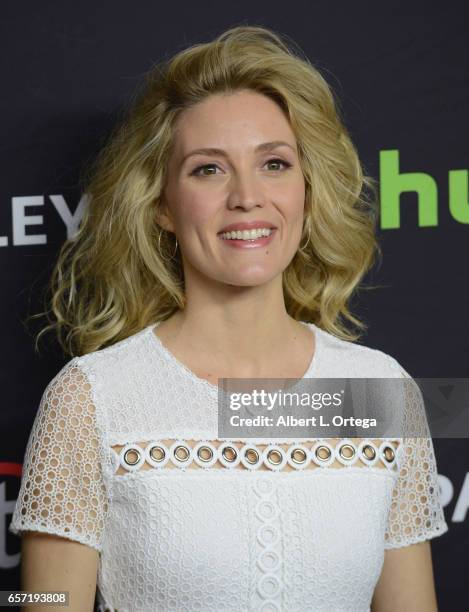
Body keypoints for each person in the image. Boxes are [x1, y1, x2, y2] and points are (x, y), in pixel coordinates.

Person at [9, 24, 448, 612]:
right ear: (162, 205)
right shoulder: (91, 399)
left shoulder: (379, 391)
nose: (247, 196)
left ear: (306, 189)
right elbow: (39, 603)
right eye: (208, 169)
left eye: (274, 163)